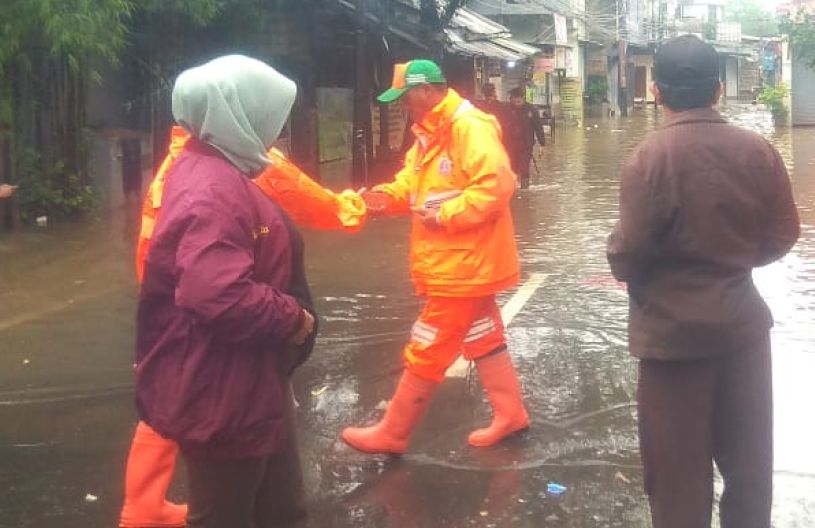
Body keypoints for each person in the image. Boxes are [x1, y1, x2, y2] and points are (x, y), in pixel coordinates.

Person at [119, 125, 365, 528]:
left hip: (167, 298)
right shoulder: (237, 159)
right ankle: (149, 508)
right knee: (227, 430)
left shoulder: (181, 160)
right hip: (222, 311)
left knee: (172, 395)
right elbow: (304, 196)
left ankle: (142, 505)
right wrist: (354, 209)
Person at [607, 35, 800, 528]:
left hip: (672, 343)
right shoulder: (758, 150)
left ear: (656, 91)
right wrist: (734, 261)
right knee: (749, 472)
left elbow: (629, 255)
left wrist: (664, 276)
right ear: (718, 90)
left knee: (676, 483)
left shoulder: (647, 159)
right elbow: (785, 233)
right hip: (743, 331)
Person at [135, 55, 319, 528]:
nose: (277, 129)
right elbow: (215, 292)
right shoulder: (213, 188)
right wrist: (293, 320)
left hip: (249, 381)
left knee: (281, 511)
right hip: (223, 387)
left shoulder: (219, 169)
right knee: (225, 516)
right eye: (271, 115)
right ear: (238, 114)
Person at [341, 59, 529, 454]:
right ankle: (510, 414)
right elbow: (409, 186)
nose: (402, 105)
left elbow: (497, 185)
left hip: (464, 265)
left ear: (426, 90)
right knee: (482, 334)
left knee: (427, 344)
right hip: (460, 263)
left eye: (405, 97)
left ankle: (393, 432)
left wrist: (444, 215)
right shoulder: (429, 133)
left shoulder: (467, 127)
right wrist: (374, 200)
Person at [502, 86, 545, 188]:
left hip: (526, 145)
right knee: (512, 168)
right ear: (511, 99)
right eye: (516, 99)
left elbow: (538, 127)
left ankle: (525, 191)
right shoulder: (505, 110)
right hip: (510, 145)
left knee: (524, 169)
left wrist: (542, 145)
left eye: (520, 99)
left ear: (524, 98)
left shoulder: (531, 110)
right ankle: (513, 190)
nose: (518, 101)